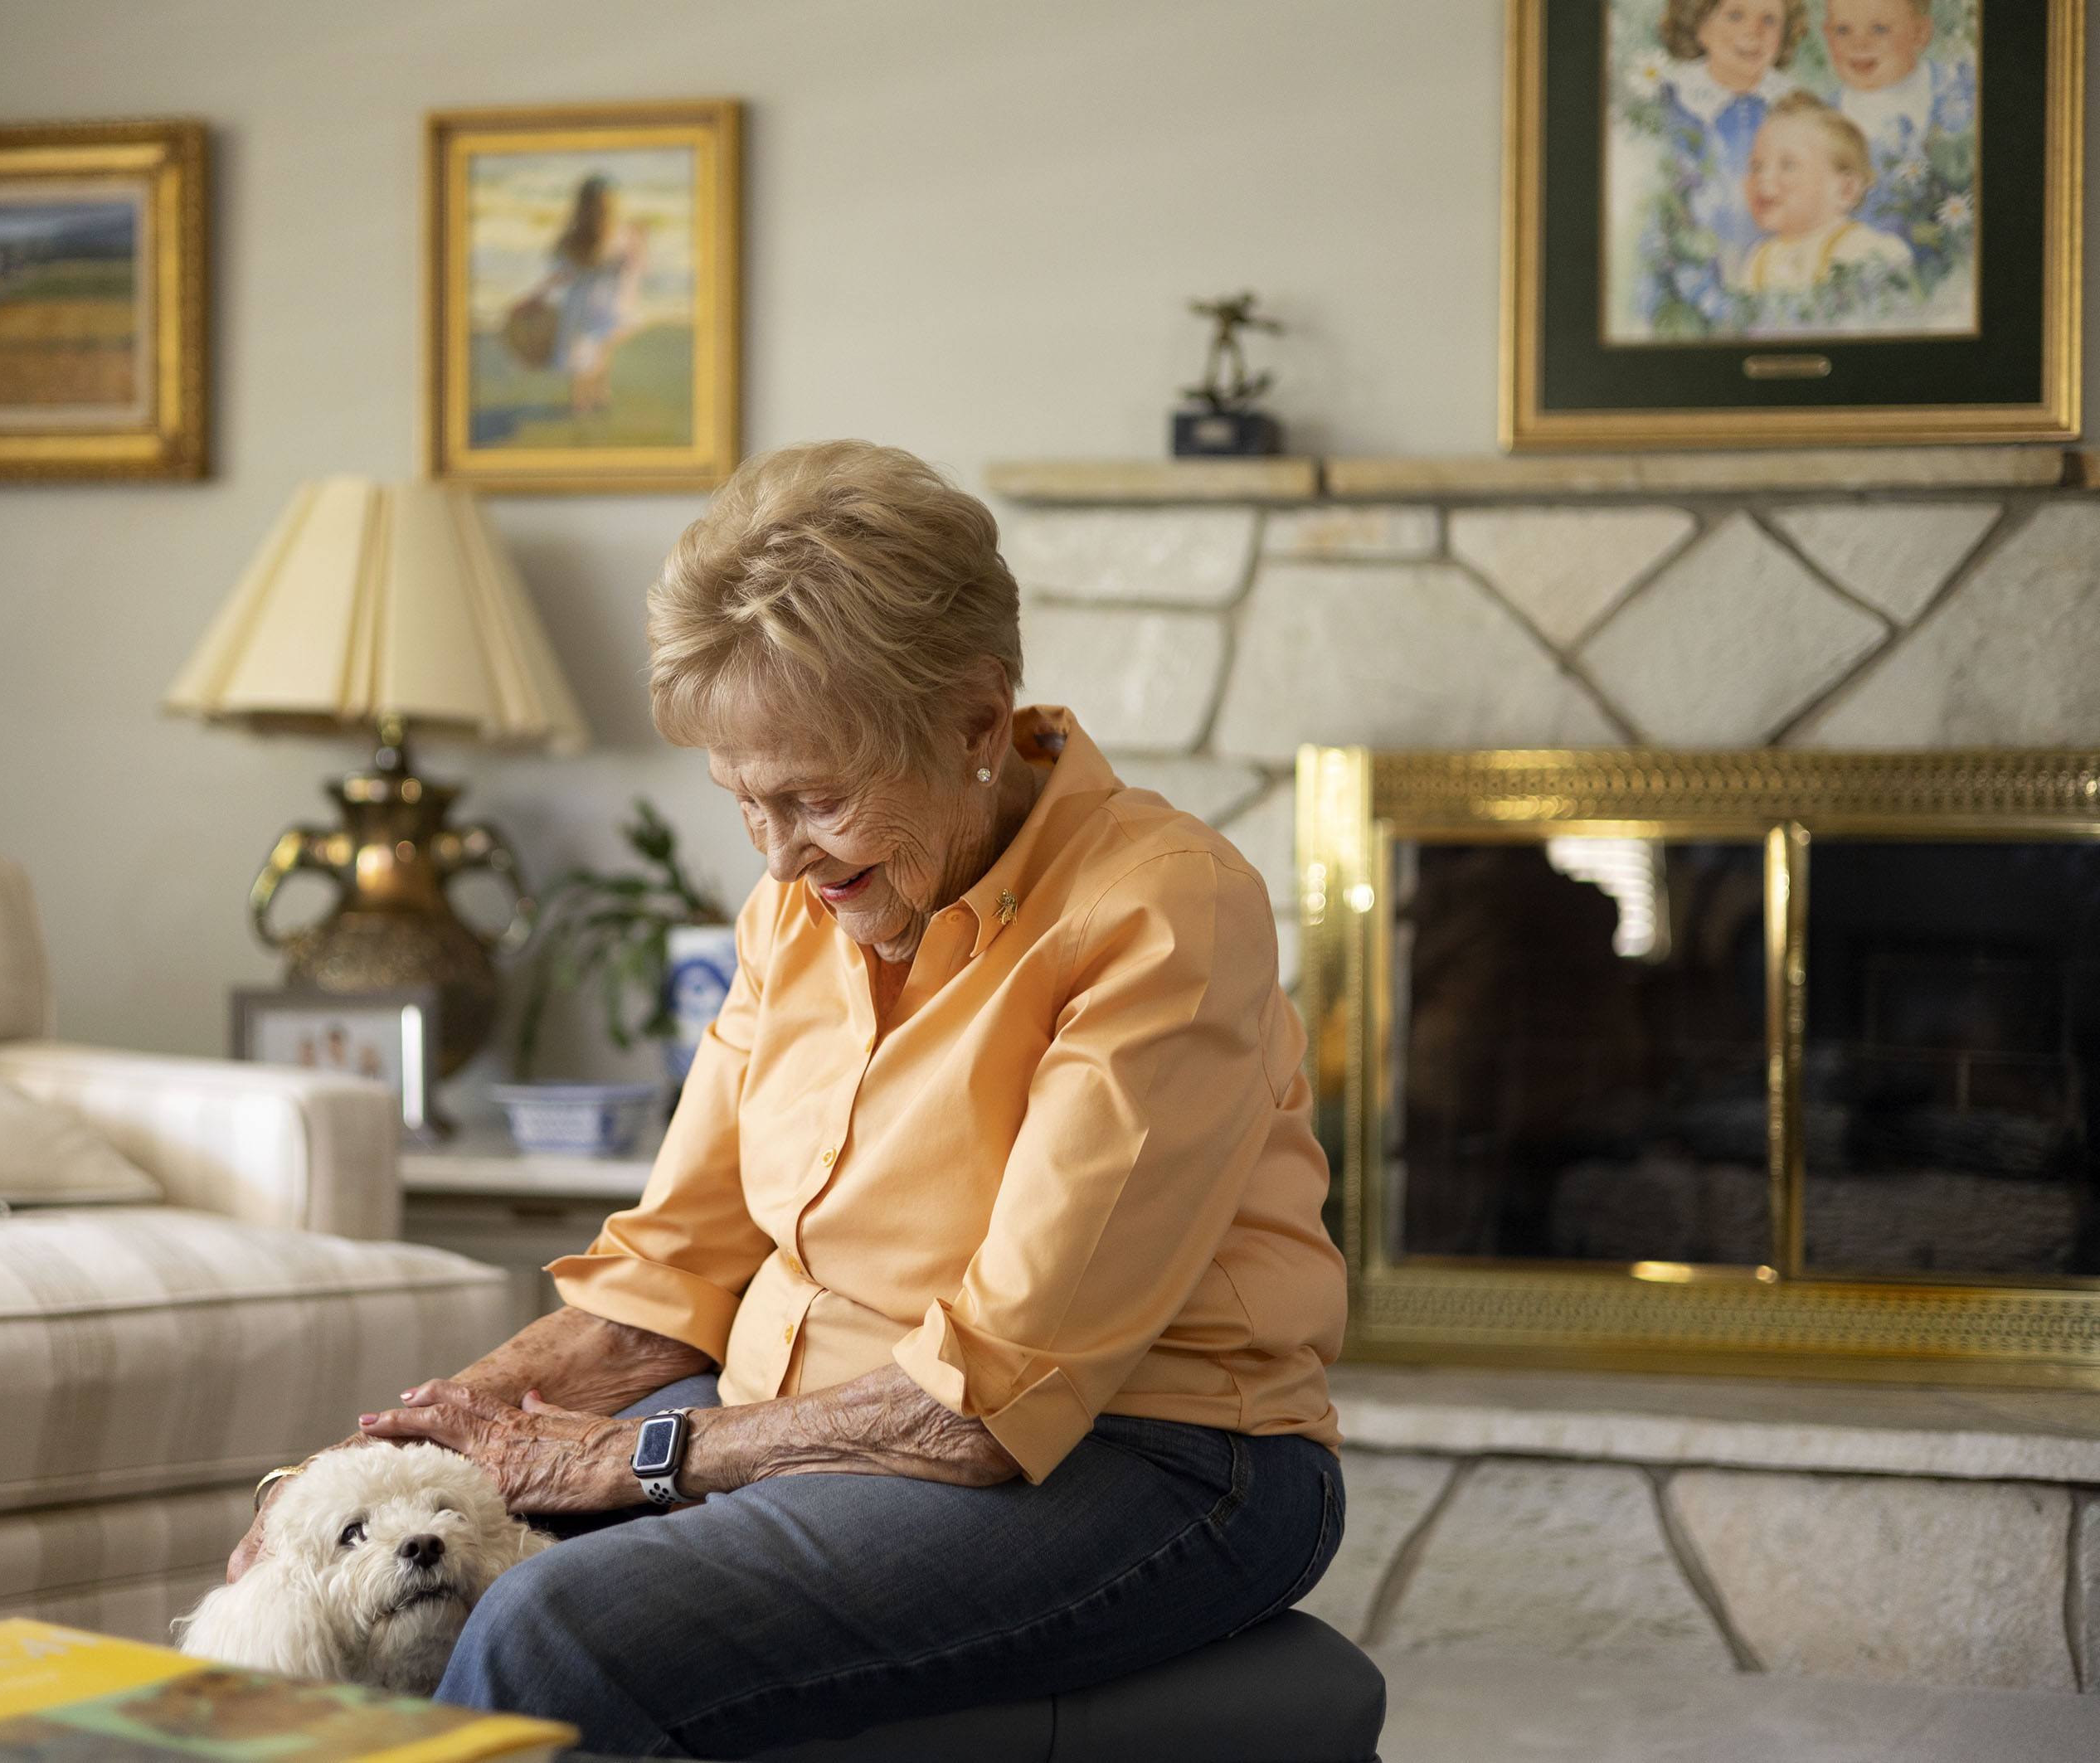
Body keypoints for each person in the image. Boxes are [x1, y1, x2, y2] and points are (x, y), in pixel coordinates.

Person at [227, 441, 1349, 1759]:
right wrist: (396, 1448)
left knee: (554, 1626)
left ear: (979, 722)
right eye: (744, 800)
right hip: (794, 1416)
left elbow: (989, 1396)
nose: (776, 856)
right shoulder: (798, 910)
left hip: (1153, 1457)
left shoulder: (1163, 907)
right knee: (392, 1562)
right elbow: (671, 1278)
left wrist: (630, 1463)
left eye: (815, 797)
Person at [1645, 0, 1807, 293]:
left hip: (1774, 269)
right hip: (1686, 267)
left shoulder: (1795, 108)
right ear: (1700, 25)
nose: (1754, 32)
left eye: (1769, 20)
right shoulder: (1668, 104)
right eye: (1735, 16)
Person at [1818, 0, 1976, 279]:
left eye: (1879, 29)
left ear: (1920, 33)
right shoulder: (1821, 122)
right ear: (1827, 34)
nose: (1859, 43)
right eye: (1843, 30)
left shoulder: (1957, 94)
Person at [1735, 91, 1914, 292]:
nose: (1763, 178)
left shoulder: (1865, 250)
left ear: (1845, 190)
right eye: (1756, 166)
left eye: (1787, 165)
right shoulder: (1760, 261)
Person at [537, 173, 646, 422]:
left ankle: (592, 396)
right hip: (593, 302)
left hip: (594, 302)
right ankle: (587, 398)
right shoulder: (589, 237)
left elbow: (630, 267)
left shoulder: (611, 236)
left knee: (592, 350)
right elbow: (563, 273)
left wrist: (637, 245)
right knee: (588, 351)